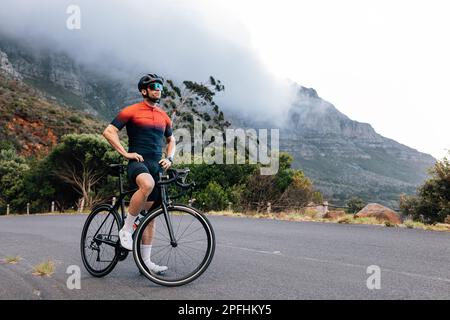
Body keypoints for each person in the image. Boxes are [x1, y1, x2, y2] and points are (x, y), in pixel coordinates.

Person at [102, 73, 176, 274]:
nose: (158, 89)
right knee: (148, 184)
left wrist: (169, 158)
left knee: (151, 217)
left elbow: (171, 140)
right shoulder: (132, 111)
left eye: (160, 86)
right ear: (144, 91)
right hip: (138, 163)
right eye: (153, 86)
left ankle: (146, 262)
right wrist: (125, 153)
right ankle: (126, 229)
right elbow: (109, 131)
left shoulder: (163, 115)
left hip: (156, 165)